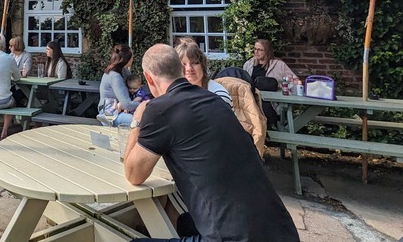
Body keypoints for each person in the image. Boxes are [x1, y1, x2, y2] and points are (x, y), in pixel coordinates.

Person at [123, 44, 299, 242]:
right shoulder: (213, 99)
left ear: (148, 78)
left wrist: (137, 121)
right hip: (281, 230)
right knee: (184, 222)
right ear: (181, 70)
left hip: (235, 238)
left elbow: (133, 175)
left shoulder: (159, 109)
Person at [174, 41, 232, 107]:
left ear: (203, 66)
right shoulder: (173, 93)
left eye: (195, 63)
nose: (189, 68)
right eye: (183, 64)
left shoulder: (219, 96)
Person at [97, 44, 138, 126]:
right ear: (127, 59)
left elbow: (132, 90)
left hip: (121, 109)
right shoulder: (115, 76)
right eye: (132, 57)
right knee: (137, 121)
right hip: (109, 112)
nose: (133, 59)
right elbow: (127, 104)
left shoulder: (125, 72)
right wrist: (145, 104)